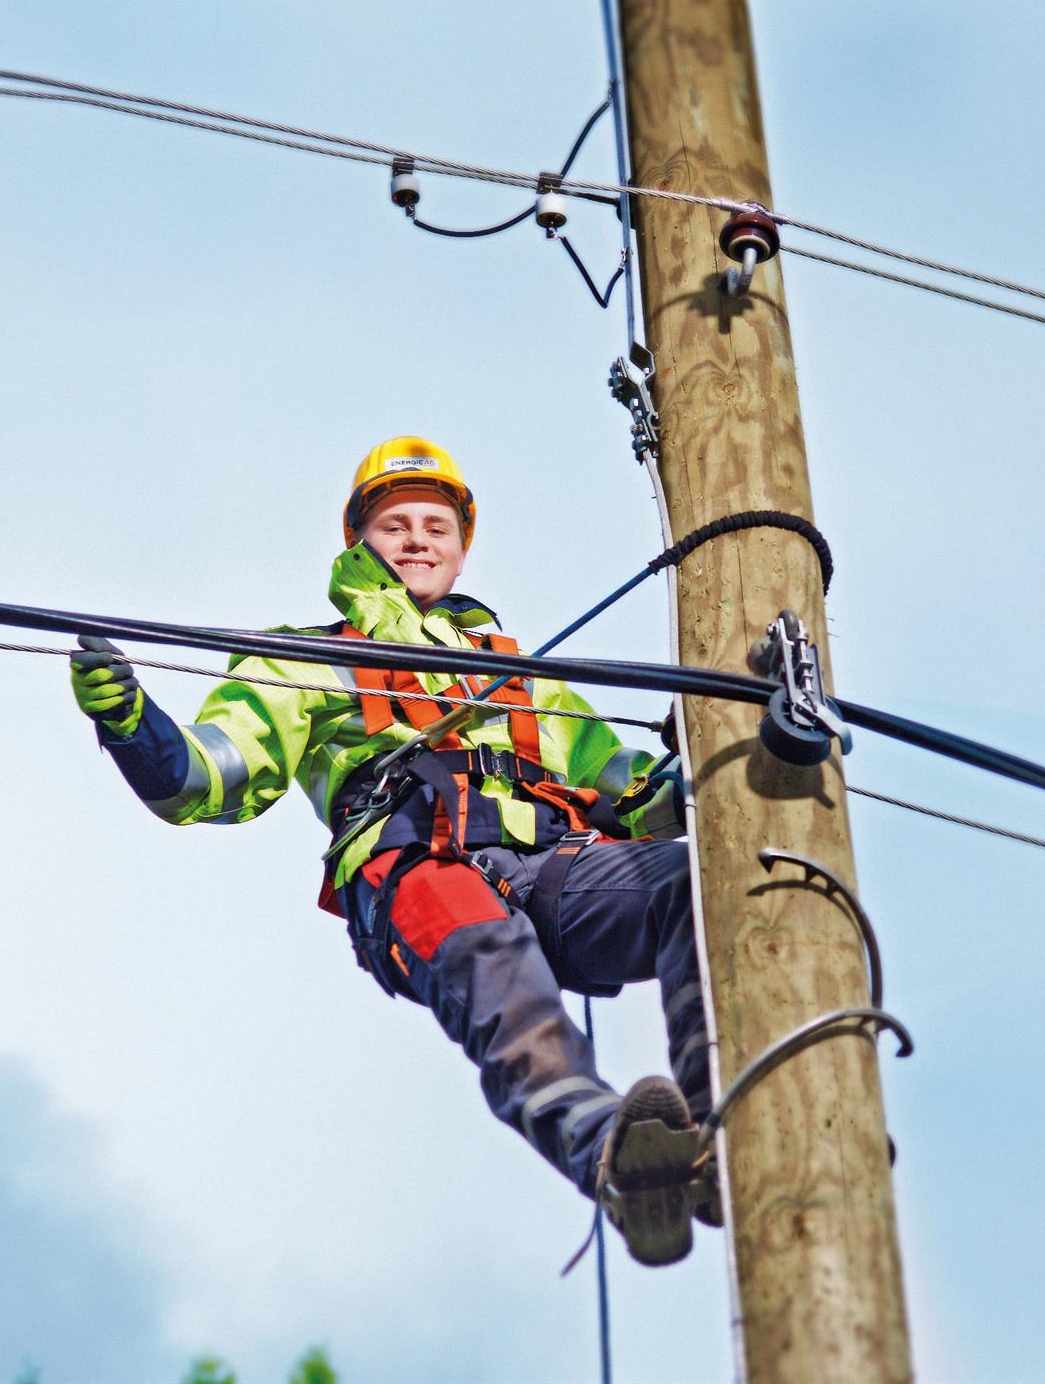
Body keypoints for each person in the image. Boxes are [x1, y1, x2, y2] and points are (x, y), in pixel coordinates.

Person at [69, 436, 716, 1266]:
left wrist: (712, 760)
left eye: (436, 526)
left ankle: (720, 1126)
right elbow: (205, 778)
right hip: (416, 867)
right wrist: (130, 723)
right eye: (394, 524)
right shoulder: (305, 661)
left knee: (695, 882)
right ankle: (615, 1161)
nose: (417, 540)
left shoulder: (524, 681)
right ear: (359, 543)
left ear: (460, 548)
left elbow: (632, 789)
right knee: (510, 1003)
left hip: (553, 869)